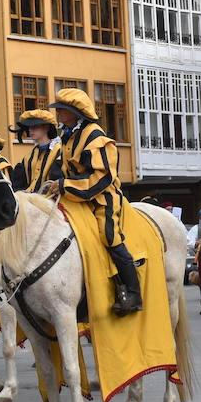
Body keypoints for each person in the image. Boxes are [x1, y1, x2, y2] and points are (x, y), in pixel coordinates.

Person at [47, 87, 141, 315]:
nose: (58, 114)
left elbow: (103, 178)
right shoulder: (68, 136)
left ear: (75, 113)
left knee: (108, 236)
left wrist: (64, 185)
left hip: (102, 198)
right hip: (74, 197)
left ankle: (132, 292)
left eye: (62, 110)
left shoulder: (96, 137)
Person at [8, 109, 62, 193]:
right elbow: (19, 184)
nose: (30, 130)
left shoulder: (59, 152)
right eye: (29, 127)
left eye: (35, 126)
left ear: (46, 128)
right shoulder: (28, 157)